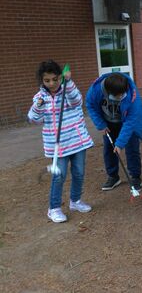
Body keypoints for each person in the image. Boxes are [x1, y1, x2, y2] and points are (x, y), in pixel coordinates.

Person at [28, 60, 94, 223]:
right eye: (47, 80)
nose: (52, 83)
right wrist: (38, 106)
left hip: (77, 140)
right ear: (42, 81)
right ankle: (54, 208)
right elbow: (33, 119)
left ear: (60, 77)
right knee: (59, 176)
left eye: (55, 79)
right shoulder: (40, 98)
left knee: (79, 173)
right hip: (57, 146)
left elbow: (77, 101)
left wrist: (69, 82)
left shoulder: (68, 89)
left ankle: (75, 201)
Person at [86, 73, 142, 192]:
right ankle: (113, 176)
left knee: (132, 149)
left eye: (122, 94)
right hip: (108, 122)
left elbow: (130, 122)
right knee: (109, 148)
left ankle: (135, 177)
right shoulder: (96, 90)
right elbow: (90, 105)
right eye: (117, 96)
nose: (121, 97)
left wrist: (120, 144)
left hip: (128, 122)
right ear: (108, 92)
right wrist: (100, 124)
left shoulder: (132, 96)